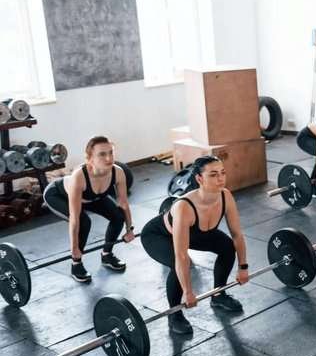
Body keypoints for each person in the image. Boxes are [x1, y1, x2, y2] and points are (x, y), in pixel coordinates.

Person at [141, 156, 248, 335]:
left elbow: (237, 234)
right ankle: (174, 314)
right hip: (158, 236)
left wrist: (243, 267)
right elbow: (182, 255)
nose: (221, 178)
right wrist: (188, 291)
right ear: (199, 179)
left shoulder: (225, 196)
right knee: (179, 265)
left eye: (223, 173)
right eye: (213, 175)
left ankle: (218, 295)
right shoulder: (184, 207)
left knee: (228, 247)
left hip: (195, 233)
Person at [43, 136, 134, 283]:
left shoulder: (118, 172)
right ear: (90, 158)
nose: (108, 158)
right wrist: (74, 248)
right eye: (102, 154)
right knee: (84, 221)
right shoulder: (79, 177)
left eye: (111, 152)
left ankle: (107, 255)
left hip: (91, 197)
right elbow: (75, 218)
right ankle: (76, 264)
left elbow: (124, 204)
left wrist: (129, 230)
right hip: (58, 196)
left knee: (118, 216)